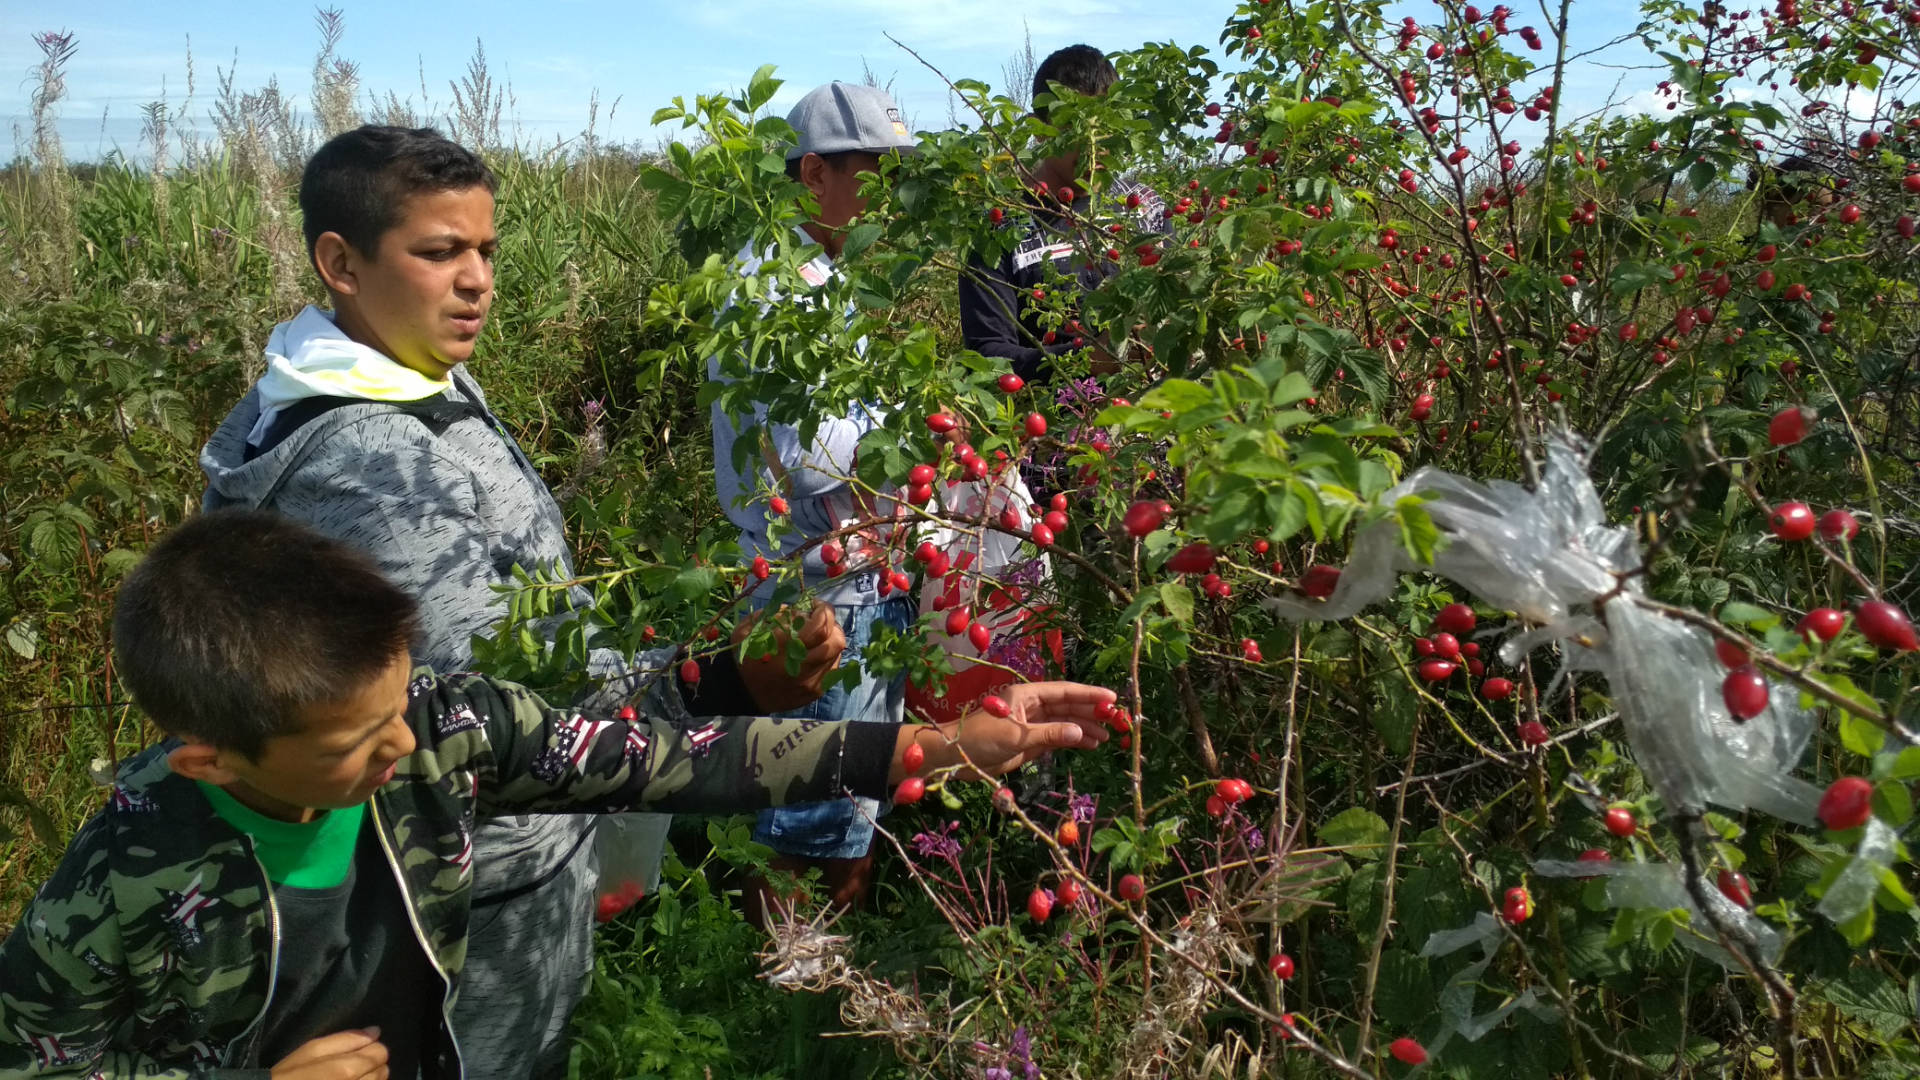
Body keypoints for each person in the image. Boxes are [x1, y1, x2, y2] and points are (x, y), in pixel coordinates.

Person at [0, 509, 1116, 1078]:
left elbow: (666, 759)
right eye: (354, 742)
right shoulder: (130, 870)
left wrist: (937, 744)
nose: (404, 745)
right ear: (213, 762)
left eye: (401, 700)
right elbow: (34, 1058)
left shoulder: (441, 726)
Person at [197, 125, 843, 1079]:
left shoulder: (379, 375)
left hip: (471, 879)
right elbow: (502, 729)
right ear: (340, 262)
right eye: (438, 252)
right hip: (463, 910)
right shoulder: (372, 466)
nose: (477, 281)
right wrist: (721, 680)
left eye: (486, 251)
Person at [707, 82, 919, 918]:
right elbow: (805, 458)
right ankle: (788, 1000)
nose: (887, 195)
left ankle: (822, 996)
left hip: (852, 574)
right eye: (873, 170)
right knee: (808, 814)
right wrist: (912, 437)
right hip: (816, 589)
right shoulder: (778, 291)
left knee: (850, 805)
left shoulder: (823, 278)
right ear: (813, 176)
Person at [958, 45, 1165, 383]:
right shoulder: (997, 227)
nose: (1095, 141)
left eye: (1105, 124)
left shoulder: (1144, 205)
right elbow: (986, 355)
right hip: (1060, 429)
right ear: (1040, 129)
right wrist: (1087, 360)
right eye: (1075, 125)